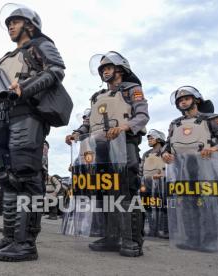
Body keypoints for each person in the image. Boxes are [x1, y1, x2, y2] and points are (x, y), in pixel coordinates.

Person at [0, 5, 66, 261]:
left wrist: (24, 87)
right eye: (8, 24)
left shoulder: (40, 45)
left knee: (27, 177)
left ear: (30, 24)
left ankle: (26, 243)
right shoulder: (5, 57)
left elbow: (57, 69)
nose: (10, 27)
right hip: (2, 116)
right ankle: (10, 236)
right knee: (7, 178)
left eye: (15, 22)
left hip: (27, 112)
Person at [66, 51, 149, 257]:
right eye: (102, 69)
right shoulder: (96, 97)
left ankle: (132, 240)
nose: (104, 71)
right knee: (104, 192)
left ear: (120, 69)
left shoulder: (132, 89)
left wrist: (124, 127)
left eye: (108, 67)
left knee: (125, 191)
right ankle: (111, 237)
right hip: (99, 148)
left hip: (124, 143)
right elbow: (88, 124)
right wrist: (76, 134)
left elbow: (142, 116)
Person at [162, 86, 218, 252]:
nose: (183, 101)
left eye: (186, 98)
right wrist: (165, 154)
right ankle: (191, 238)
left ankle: (210, 240)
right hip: (182, 168)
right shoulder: (175, 123)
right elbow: (168, 145)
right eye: (180, 100)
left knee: (208, 202)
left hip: (207, 166)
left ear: (196, 100)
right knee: (187, 203)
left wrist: (214, 149)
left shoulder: (212, 119)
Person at [139, 129, 168, 238]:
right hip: (147, 184)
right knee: (148, 207)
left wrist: (163, 175)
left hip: (162, 185)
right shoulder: (146, 154)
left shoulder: (165, 153)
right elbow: (141, 169)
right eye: (149, 138)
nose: (149, 140)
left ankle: (164, 230)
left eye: (152, 138)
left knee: (163, 207)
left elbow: (170, 167)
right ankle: (152, 229)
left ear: (159, 139)